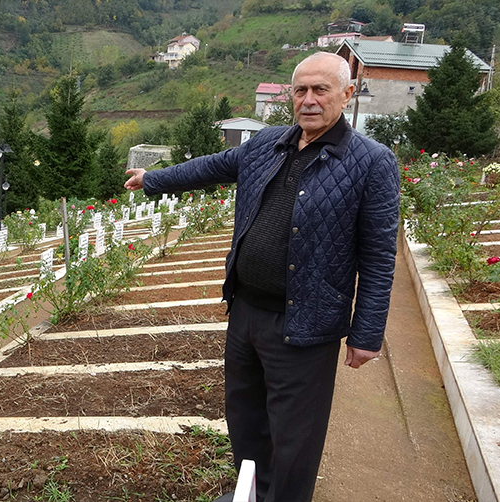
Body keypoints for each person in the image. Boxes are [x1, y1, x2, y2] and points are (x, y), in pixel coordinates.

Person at [124, 52, 399, 502]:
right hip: (246, 312)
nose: (308, 100)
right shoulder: (268, 143)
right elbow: (212, 166)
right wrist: (153, 179)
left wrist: (366, 333)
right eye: (300, 90)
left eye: (321, 90)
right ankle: (250, 493)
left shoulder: (371, 162)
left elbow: (378, 255)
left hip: (306, 325)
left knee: (294, 436)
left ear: (347, 94)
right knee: (246, 419)